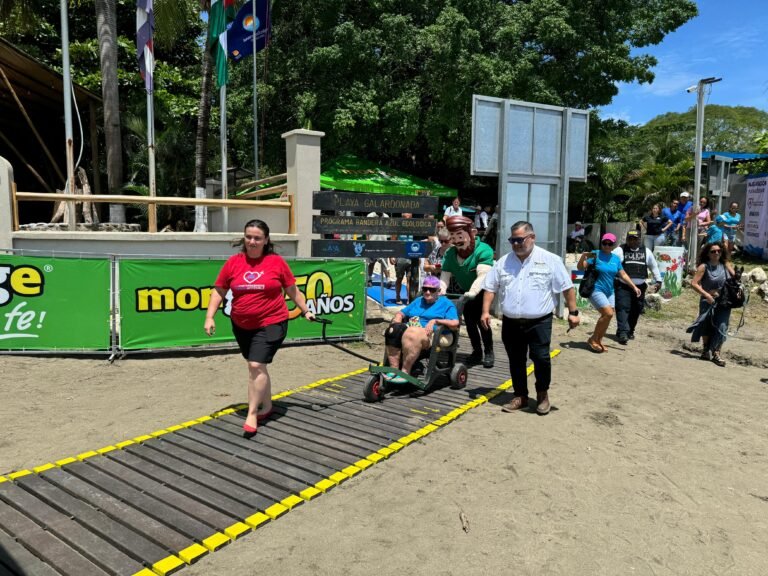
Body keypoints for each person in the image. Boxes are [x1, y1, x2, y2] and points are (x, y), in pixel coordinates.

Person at [204, 219, 315, 438]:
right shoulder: (233, 263)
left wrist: (305, 310)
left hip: (272, 321)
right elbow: (219, 290)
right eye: (248, 237)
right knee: (257, 367)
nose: (252, 241)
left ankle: (252, 414)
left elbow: (293, 290)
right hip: (242, 324)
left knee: (256, 365)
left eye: (257, 238)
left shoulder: (276, 262)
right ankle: (267, 406)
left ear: (266, 240)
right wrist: (210, 316)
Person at [480, 221, 579, 415]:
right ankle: (520, 396)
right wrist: (485, 311)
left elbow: (567, 288)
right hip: (511, 322)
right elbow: (490, 287)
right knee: (515, 360)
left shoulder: (550, 260)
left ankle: (542, 394)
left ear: (532, 237)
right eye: (512, 240)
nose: (516, 244)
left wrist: (573, 313)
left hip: (539, 321)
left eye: (519, 239)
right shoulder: (503, 262)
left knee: (541, 358)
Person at [440, 216, 495, 368]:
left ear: (472, 233)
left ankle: (489, 351)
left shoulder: (483, 250)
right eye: (453, 237)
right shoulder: (451, 254)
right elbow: (445, 274)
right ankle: (477, 352)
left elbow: (483, 275)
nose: (457, 241)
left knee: (483, 322)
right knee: (470, 323)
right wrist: (441, 289)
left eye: (460, 236)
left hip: (483, 292)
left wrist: (473, 291)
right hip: (466, 293)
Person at [577, 232, 641, 353]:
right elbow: (581, 267)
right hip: (596, 289)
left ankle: (599, 340)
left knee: (608, 316)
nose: (606, 246)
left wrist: (633, 286)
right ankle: (593, 339)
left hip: (610, 291)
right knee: (608, 313)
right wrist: (583, 257)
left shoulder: (615, 259)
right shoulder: (595, 254)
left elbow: (622, 274)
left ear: (613, 245)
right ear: (601, 243)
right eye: (604, 243)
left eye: (609, 243)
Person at [385, 275, 460, 376]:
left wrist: (436, 321)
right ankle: (393, 370)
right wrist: (398, 318)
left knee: (412, 333)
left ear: (439, 291)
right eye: (425, 289)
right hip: (412, 329)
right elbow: (402, 312)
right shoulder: (419, 300)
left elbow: (455, 323)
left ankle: (405, 371)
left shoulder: (446, 303)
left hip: (435, 333)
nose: (428, 292)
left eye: (432, 290)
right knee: (393, 330)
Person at [612, 230, 662, 344]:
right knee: (623, 308)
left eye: (635, 238)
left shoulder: (646, 251)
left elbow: (653, 266)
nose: (633, 241)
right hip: (623, 285)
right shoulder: (620, 250)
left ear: (640, 239)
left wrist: (658, 280)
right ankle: (623, 332)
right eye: (630, 238)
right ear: (627, 239)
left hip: (640, 287)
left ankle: (630, 331)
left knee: (636, 309)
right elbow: (611, 263)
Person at [689, 241, 735, 367]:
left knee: (722, 326)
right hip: (707, 300)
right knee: (706, 325)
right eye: (713, 251)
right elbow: (694, 283)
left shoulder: (725, 264)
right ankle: (705, 350)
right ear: (708, 253)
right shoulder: (704, 267)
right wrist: (707, 295)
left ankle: (716, 353)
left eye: (719, 251)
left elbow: (735, 277)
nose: (716, 253)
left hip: (724, 301)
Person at [391, 212, 418, 305]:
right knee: (399, 278)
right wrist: (391, 256)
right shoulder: (397, 228)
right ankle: (397, 296)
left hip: (411, 257)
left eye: (409, 216)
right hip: (400, 257)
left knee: (409, 279)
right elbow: (393, 242)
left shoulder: (414, 229)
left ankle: (408, 298)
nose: (407, 218)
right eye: (405, 216)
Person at [366, 211, 390, 287]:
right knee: (371, 263)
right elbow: (367, 230)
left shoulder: (386, 216)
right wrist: (367, 242)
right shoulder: (370, 216)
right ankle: (369, 279)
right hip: (372, 242)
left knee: (385, 263)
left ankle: (388, 280)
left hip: (383, 243)